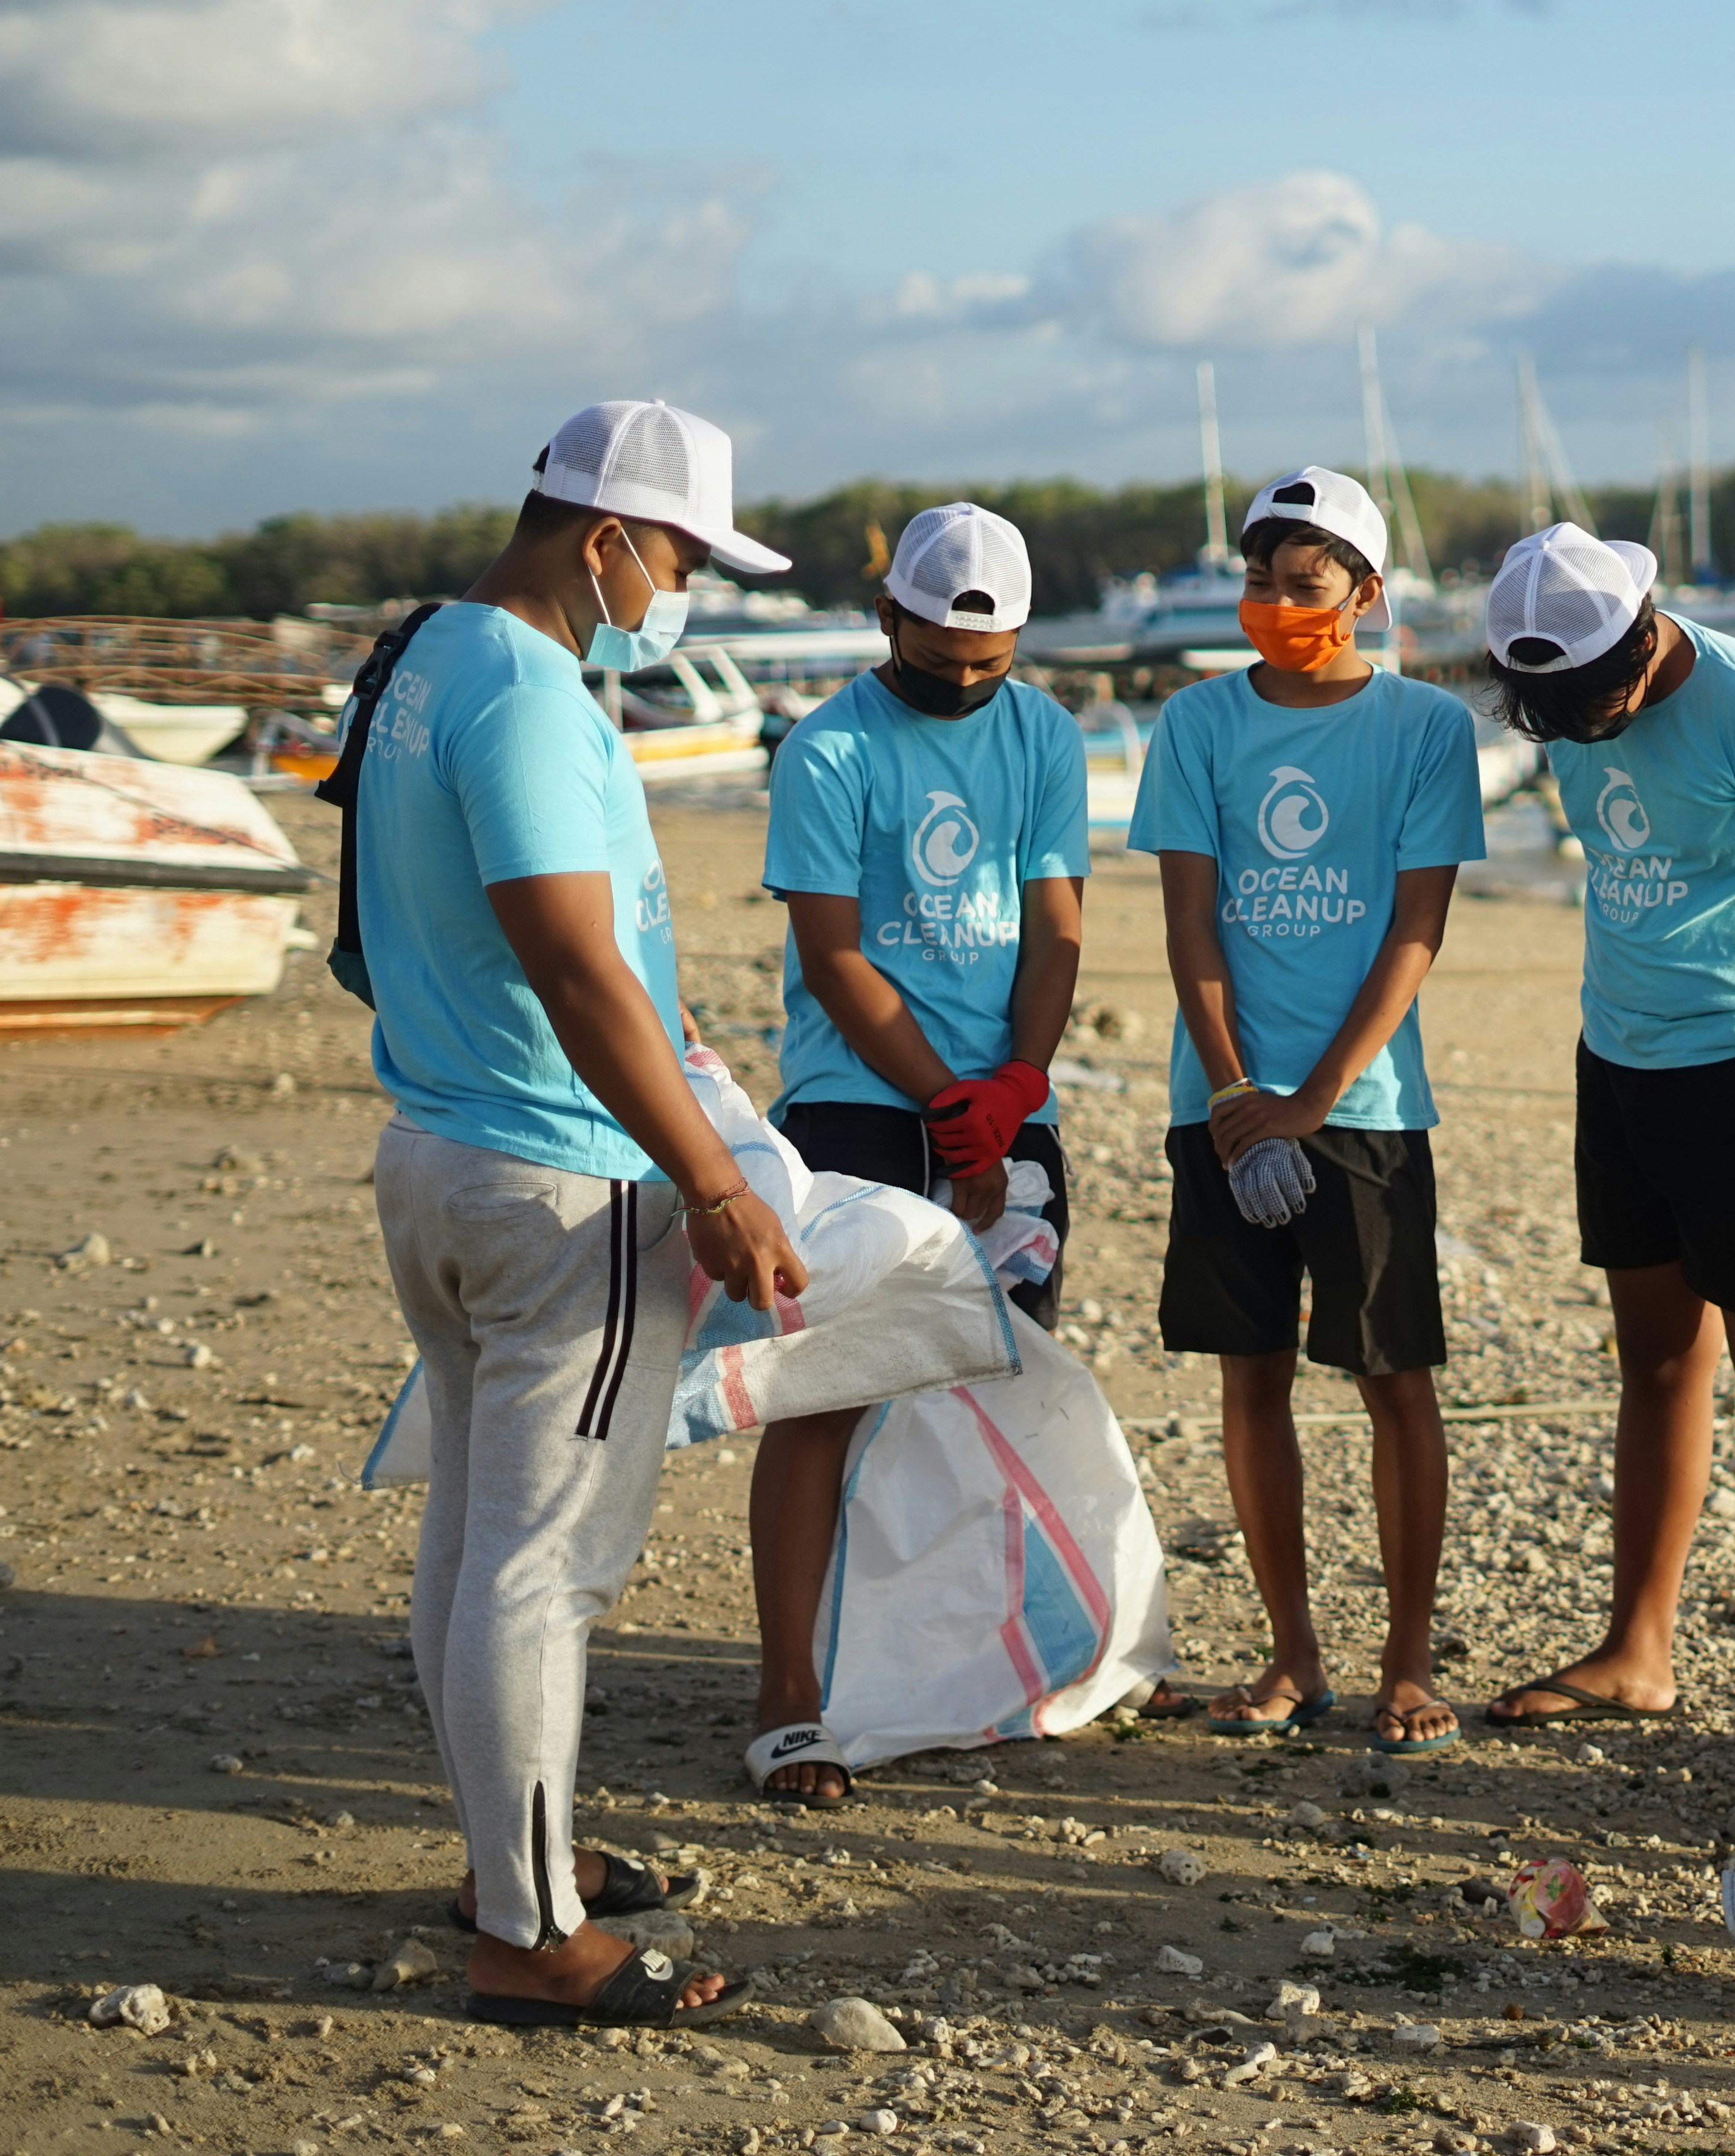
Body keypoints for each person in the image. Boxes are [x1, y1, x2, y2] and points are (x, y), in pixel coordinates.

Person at [354, 399, 806, 2027]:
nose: (681, 590)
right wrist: (712, 1180)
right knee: (542, 1570)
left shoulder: (430, 656)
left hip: (440, 1146)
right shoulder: (531, 696)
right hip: (563, 1179)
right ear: (604, 536)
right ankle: (531, 1933)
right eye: (680, 557)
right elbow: (569, 955)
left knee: (477, 1537)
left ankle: (512, 1863)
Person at [1470, 524, 1735, 1776]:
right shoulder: (1570, 700)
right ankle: (1637, 1647)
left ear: (1640, 640)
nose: (1581, 730)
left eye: (1594, 704)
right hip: (1619, 1055)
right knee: (1652, 1360)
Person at [1127, 468, 1486, 1754]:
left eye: (1306, 582)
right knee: (1253, 1378)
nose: (1277, 602)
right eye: (1260, 581)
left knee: (1395, 1380)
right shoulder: (1196, 722)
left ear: (1366, 591)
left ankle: (1407, 1664)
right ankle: (1292, 1656)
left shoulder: (1425, 727)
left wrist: (1316, 1097)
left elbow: (1416, 927)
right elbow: (1190, 920)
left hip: (1367, 1106)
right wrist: (1236, 1090)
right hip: (1223, 1104)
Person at [743, 502, 1093, 1806]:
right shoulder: (829, 749)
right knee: (825, 1395)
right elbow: (833, 954)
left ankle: (978, 1661)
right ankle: (789, 1692)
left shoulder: (1046, 734)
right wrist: (944, 1101)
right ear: (887, 615)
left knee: (998, 1381)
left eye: (988, 664)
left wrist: (1016, 1084)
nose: (962, 682)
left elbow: (1055, 927)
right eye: (938, 659)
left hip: (1001, 1099)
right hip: (860, 1099)